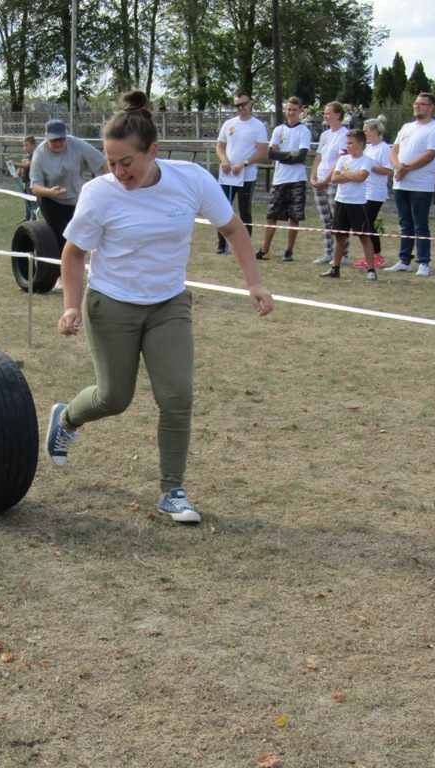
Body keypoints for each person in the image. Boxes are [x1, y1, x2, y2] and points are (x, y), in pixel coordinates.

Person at [44, 91, 274, 525]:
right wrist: (71, 306)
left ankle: (172, 490)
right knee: (114, 397)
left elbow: (233, 227)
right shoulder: (100, 194)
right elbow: (73, 253)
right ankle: (68, 418)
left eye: (126, 161)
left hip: (168, 303)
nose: (117, 171)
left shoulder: (191, 180)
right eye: (110, 162)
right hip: (111, 303)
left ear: (153, 151)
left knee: (177, 397)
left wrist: (255, 283)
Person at [385, 92, 435, 277]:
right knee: (405, 224)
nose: (417, 106)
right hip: (401, 184)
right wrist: (397, 167)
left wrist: (406, 168)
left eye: (422, 104)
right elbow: (394, 150)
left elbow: (429, 154)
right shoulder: (406, 127)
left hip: (421, 185)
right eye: (416, 103)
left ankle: (424, 262)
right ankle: (404, 260)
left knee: (420, 224)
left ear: (431, 107)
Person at [29, 119, 107, 251]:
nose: (59, 143)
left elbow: (102, 163)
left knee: (78, 240)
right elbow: (35, 186)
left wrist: (113, 184)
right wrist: (50, 192)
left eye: (61, 139)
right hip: (51, 201)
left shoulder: (76, 144)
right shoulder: (39, 154)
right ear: (46, 137)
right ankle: (61, 270)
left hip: (77, 200)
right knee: (63, 238)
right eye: (54, 140)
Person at [255, 96, 312, 262]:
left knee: (294, 217)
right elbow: (270, 153)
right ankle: (264, 250)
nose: (291, 112)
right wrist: (288, 154)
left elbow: (300, 156)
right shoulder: (278, 130)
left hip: (297, 179)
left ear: (300, 111)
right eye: (289, 109)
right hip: (280, 179)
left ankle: (289, 251)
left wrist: (283, 155)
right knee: (272, 215)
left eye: (295, 110)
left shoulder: (304, 131)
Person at [319, 129, 377, 280]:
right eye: (347, 143)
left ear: (360, 144)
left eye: (351, 143)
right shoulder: (343, 159)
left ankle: (371, 269)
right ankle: (335, 268)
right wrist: (348, 175)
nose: (348, 146)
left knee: (364, 236)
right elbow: (335, 178)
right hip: (341, 202)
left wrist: (344, 174)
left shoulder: (366, 160)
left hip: (357, 203)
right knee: (339, 236)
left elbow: (361, 177)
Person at [215, 92, 268, 254]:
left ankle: (244, 245)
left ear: (250, 104)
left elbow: (262, 151)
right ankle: (221, 244)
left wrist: (244, 163)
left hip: (246, 175)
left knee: (245, 211)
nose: (241, 108)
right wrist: (224, 160)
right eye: (237, 105)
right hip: (227, 174)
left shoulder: (258, 126)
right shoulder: (229, 124)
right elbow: (220, 146)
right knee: (223, 209)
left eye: (243, 104)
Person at [310, 102, 349, 264]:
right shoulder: (325, 135)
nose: (325, 116)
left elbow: (340, 159)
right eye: (325, 113)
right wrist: (313, 177)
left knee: (337, 219)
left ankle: (343, 254)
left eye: (328, 113)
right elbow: (319, 157)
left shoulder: (344, 134)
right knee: (325, 219)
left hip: (333, 182)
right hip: (319, 180)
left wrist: (326, 180)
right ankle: (328, 252)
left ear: (338, 115)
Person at [359, 115, 392, 268]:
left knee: (367, 223)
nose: (364, 133)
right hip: (364, 189)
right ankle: (370, 255)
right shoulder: (368, 148)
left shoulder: (384, 148)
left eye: (366, 131)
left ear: (374, 131)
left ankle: (377, 254)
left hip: (375, 191)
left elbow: (387, 170)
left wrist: (370, 166)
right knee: (363, 224)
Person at [17, 135, 37, 223]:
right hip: (24, 181)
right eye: (23, 145)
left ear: (33, 145)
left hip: (31, 182)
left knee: (32, 200)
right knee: (26, 200)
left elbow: (27, 165)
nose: (24, 147)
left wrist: (14, 163)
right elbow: (20, 170)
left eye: (27, 145)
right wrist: (16, 173)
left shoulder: (35, 156)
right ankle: (27, 217)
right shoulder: (25, 157)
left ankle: (34, 217)